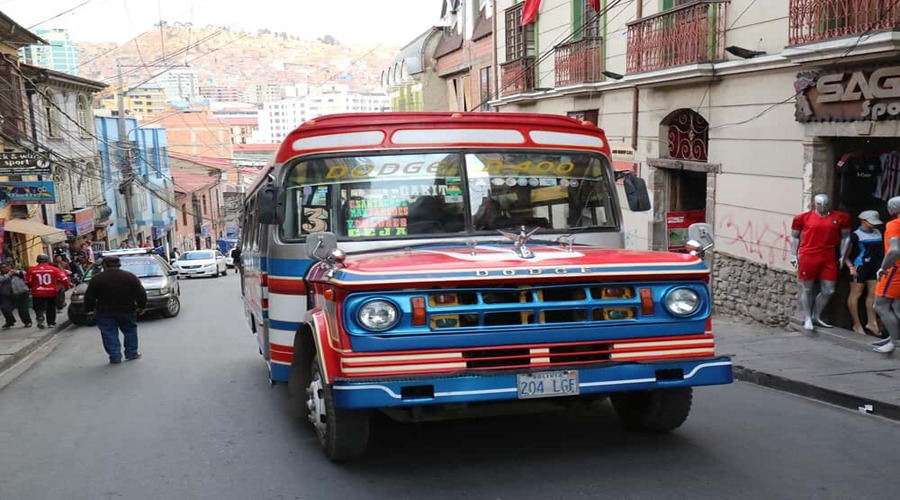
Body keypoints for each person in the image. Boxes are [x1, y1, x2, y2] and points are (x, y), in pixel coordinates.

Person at [789, 193, 851, 331]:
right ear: (814, 204)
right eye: (819, 204)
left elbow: (846, 237)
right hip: (808, 255)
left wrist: (842, 255)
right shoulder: (802, 218)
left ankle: (817, 315)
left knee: (829, 290)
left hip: (828, 255)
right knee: (807, 288)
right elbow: (794, 237)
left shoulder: (841, 217)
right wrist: (793, 255)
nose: (822, 207)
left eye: (825, 204)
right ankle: (807, 318)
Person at [83, 255, 147, 364]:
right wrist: (141, 306)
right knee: (130, 330)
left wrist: (89, 309)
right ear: (119, 264)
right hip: (127, 310)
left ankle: (115, 356)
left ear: (104, 265)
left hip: (105, 312)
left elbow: (89, 296)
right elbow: (140, 293)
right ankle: (131, 352)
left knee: (109, 333)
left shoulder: (97, 279)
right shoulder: (130, 276)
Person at [845, 210, 884, 336]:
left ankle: (871, 321)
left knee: (873, 294)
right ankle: (856, 324)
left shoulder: (878, 232)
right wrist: (850, 266)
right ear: (863, 221)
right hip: (860, 266)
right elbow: (845, 254)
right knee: (856, 294)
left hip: (874, 266)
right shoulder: (856, 235)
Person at [873, 196, 900, 354]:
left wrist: (883, 267)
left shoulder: (894, 224)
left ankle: (894, 342)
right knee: (897, 306)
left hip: (894, 269)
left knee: (880, 305)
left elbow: (895, 250)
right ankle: (893, 336)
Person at [25, 254, 70, 329]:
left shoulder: (31, 270)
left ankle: (40, 316)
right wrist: (66, 287)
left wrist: (31, 287)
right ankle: (51, 323)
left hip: (37, 292)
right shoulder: (54, 269)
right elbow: (64, 279)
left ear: (37, 261)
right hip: (51, 292)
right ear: (47, 260)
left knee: (38, 307)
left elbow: (27, 281)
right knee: (51, 307)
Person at [0, 263, 31, 329]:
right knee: (5, 308)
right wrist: (8, 275)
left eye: (5, 267)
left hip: (21, 293)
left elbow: (26, 274)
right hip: (7, 295)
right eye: (2, 268)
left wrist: (16, 272)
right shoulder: (2, 275)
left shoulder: (16, 272)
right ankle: (10, 321)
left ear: (9, 267)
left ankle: (27, 322)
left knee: (23, 309)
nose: (4, 269)